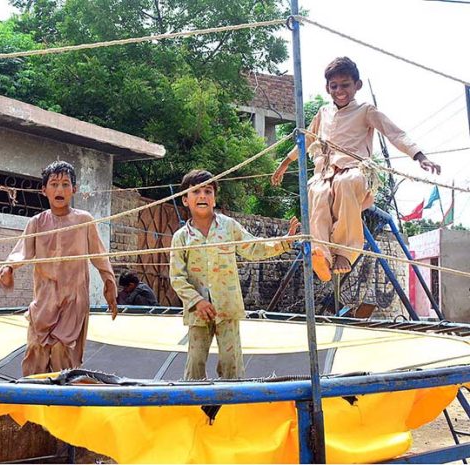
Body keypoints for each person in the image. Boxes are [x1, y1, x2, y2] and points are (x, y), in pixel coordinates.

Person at [271, 56, 441, 281]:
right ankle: (322, 255)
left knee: (345, 183)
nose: (340, 90)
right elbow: (306, 140)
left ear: (357, 85)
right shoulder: (323, 113)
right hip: (325, 175)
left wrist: (419, 156)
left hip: (356, 173)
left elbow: (395, 133)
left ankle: (345, 253)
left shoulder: (365, 110)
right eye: (334, 86)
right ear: (327, 88)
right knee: (317, 193)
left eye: (345, 85)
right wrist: (284, 164)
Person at [0, 161, 118, 376]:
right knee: (35, 353)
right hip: (44, 300)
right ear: (44, 190)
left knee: (63, 353)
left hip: (73, 300)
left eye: (66, 184)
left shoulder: (84, 220)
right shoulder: (36, 223)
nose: (60, 190)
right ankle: (32, 403)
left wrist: (109, 282)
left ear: (74, 190)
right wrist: (8, 268)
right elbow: (21, 252)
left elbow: (99, 255)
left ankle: (63, 405)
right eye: (54, 184)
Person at [170, 169, 299, 380]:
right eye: (196, 192)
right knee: (195, 363)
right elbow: (176, 277)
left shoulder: (228, 227)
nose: (202, 196)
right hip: (198, 312)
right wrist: (197, 302)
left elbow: (254, 248)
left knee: (232, 364)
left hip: (227, 307)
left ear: (214, 198)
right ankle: (193, 406)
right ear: (185, 200)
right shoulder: (181, 237)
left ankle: (233, 405)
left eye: (208, 191)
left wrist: (285, 241)